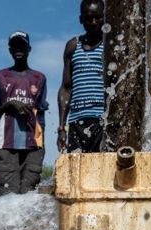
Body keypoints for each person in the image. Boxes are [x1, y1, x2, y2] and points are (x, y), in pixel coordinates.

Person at [0, 31, 48, 196]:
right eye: (14, 46)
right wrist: (9, 104)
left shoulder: (39, 78)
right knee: (7, 196)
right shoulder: (1, 76)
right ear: (9, 50)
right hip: (7, 145)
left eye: (22, 46)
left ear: (29, 49)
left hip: (33, 146)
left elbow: (41, 113)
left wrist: (41, 145)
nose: (18, 49)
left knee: (30, 196)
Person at [58, 0, 105, 153]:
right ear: (81, 19)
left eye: (98, 17)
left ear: (104, 18)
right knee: (76, 167)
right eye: (89, 18)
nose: (94, 22)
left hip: (102, 121)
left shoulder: (109, 46)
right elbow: (66, 88)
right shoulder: (73, 46)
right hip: (76, 122)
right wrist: (61, 127)